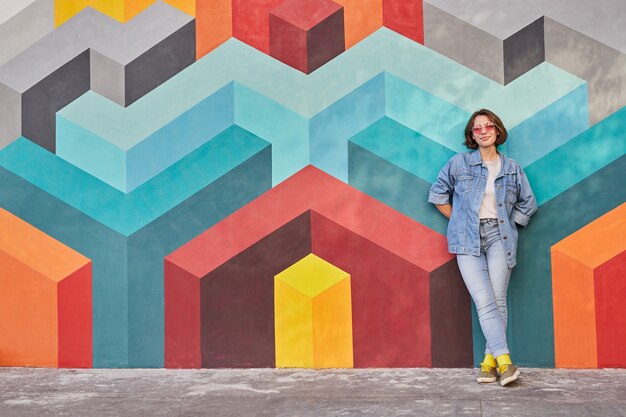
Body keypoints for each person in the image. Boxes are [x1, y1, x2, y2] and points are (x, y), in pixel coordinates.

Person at [428, 109, 537, 386]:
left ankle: (489, 365)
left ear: (497, 131)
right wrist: (461, 222)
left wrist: (508, 225)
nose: (484, 131)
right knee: (485, 301)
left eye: (488, 126)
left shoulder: (512, 167)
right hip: (467, 239)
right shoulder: (459, 164)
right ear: (472, 135)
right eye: (477, 128)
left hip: (500, 237)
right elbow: (438, 194)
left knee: (497, 301)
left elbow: (528, 204)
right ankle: (505, 362)